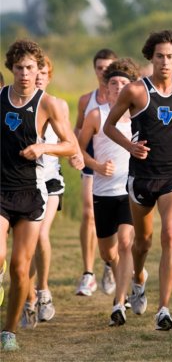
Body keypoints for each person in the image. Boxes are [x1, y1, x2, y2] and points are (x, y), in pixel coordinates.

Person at [104, 30, 172, 331]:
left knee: (170, 236)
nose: (165, 62)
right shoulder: (135, 91)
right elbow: (109, 126)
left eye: (170, 56)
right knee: (141, 244)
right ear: (151, 58)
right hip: (141, 178)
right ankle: (139, 278)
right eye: (159, 56)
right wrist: (130, 146)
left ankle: (164, 310)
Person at [1, 40, 80, 351]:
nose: (24, 74)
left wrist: (44, 147)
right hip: (1, 189)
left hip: (31, 193)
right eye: (18, 68)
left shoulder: (50, 104)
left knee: (21, 269)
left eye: (30, 68)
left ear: (39, 70)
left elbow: (71, 145)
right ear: (11, 69)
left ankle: (8, 332)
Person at [20, 56, 84, 329]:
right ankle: (27, 297)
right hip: (19, 182)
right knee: (23, 249)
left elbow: (69, 140)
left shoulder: (55, 105)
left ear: (48, 76)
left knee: (41, 236)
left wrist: (77, 156)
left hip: (49, 180)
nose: (36, 77)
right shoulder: (16, 103)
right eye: (34, 72)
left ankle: (43, 291)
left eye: (42, 73)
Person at [78, 58, 140, 326]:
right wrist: (96, 165)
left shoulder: (139, 117)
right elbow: (78, 149)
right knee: (108, 253)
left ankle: (120, 301)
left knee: (126, 243)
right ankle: (136, 278)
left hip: (129, 189)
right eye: (113, 83)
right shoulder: (97, 115)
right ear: (106, 87)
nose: (117, 87)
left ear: (130, 88)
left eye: (123, 83)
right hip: (102, 192)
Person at [74, 48, 118, 297]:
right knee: (88, 213)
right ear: (95, 70)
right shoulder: (85, 100)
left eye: (108, 67)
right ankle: (88, 274)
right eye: (100, 67)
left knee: (116, 222)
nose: (104, 71)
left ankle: (111, 265)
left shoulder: (124, 98)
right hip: (91, 164)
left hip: (118, 168)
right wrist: (72, 149)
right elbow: (77, 130)